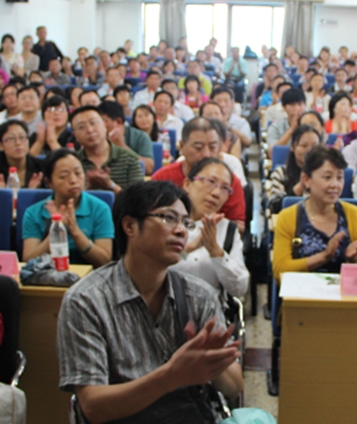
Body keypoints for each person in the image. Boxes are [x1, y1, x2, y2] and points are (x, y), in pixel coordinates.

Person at [56, 180, 243, 423]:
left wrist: (210, 362)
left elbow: (234, 387)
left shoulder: (198, 295)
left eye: (186, 223)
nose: (181, 231)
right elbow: (93, 407)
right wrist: (171, 376)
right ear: (130, 225)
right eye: (168, 218)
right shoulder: (86, 300)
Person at [273, 146, 357, 278]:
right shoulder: (288, 217)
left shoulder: (354, 214)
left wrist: (354, 259)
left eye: (339, 178)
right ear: (306, 180)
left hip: (342, 290)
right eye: (327, 177)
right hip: (303, 289)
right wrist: (325, 256)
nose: (335, 185)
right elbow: (280, 271)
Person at [22, 148, 113, 266]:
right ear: (49, 182)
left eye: (78, 173)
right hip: (48, 274)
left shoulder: (100, 209)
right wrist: (57, 231)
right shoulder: (33, 213)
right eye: (63, 176)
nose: (73, 180)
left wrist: (75, 231)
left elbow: (104, 260)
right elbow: (28, 260)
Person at [151, 117, 246, 230]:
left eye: (212, 147)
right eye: (198, 148)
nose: (206, 154)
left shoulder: (228, 183)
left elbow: (238, 227)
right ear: (182, 147)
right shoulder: (163, 178)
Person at [173, 157, 249, 298]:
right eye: (211, 182)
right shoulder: (167, 222)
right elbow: (148, 269)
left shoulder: (228, 229)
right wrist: (190, 248)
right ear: (187, 184)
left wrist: (216, 251)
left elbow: (240, 288)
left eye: (225, 188)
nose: (216, 193)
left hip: (211, 308)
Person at [71, 106, 143, 194]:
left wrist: (110, 185)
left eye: (93, 123)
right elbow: (66, 199)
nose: (89, 130)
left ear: (104, 125)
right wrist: (88, 187)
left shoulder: (130, 158)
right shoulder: (72, 163)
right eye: (81, 127)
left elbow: (138, 199)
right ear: (75, 135)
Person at [268, 125, 321, 214]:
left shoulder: (325, 175)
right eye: (304, 145)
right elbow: (274, 207)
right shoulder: (281, 172)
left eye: (315, 146)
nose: (309, 150)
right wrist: (300, 187)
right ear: (293, 147)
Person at [98, 101, 155, 175]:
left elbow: (148, 168)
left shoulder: (140, 137)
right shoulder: (97, 138)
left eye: (104, 121)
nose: (99, 125)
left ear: (118, 122)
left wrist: (122, 146)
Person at [0, 119, 43, 188]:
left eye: (22, 137)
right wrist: (2, 192)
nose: (18, 143)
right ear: (1, 145)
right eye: (11, 138)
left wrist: (32, 192)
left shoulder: (41, 167)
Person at [267, 87, 306, 153]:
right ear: (284, 107)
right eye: (292, 105)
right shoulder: (275, 127)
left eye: (300, 104)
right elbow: (272, 152)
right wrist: (292, 129)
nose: (297, 108)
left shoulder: (313, 123)